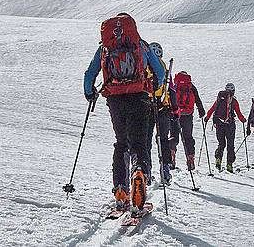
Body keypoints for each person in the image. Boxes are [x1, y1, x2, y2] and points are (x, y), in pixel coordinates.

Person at [83, 13, 164, 212]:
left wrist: (90, 93)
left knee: (121, 143)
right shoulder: (141, 45)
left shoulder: (105, 48)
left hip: (115, 99)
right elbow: (160, 73)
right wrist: (154, 87)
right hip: (139, 97)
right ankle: (139, 174)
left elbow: (89, 74)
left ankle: (120, 188)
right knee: (139, 143)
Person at [147, 42, 176, 184]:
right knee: (163, 139)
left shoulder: (143, 65)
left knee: (145, 140)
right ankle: (165, 170)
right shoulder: (164, 68)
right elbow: (171, 90)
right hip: (162, 108)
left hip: (145, 107)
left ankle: (145, 170)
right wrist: (174, 108)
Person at [205, 83, 246, 172]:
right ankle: (229, 164)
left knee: (221, 143)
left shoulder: (219, 100)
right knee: (230, 145)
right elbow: (239, 114)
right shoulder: (234, 101)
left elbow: (211, 110)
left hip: (219, 124)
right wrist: (243, 120)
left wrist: (206, 118)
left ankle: (218, 159)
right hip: (230, 125)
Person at [169, 71, 205, 171]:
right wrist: (201, 110)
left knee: (173, 136)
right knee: (188, 137)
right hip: (188, 115)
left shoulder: (175, 85)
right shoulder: (191, 86)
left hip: (175, 114)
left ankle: (171, 156)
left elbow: (169, 97)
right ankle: (190, 159)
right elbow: (197, 99)